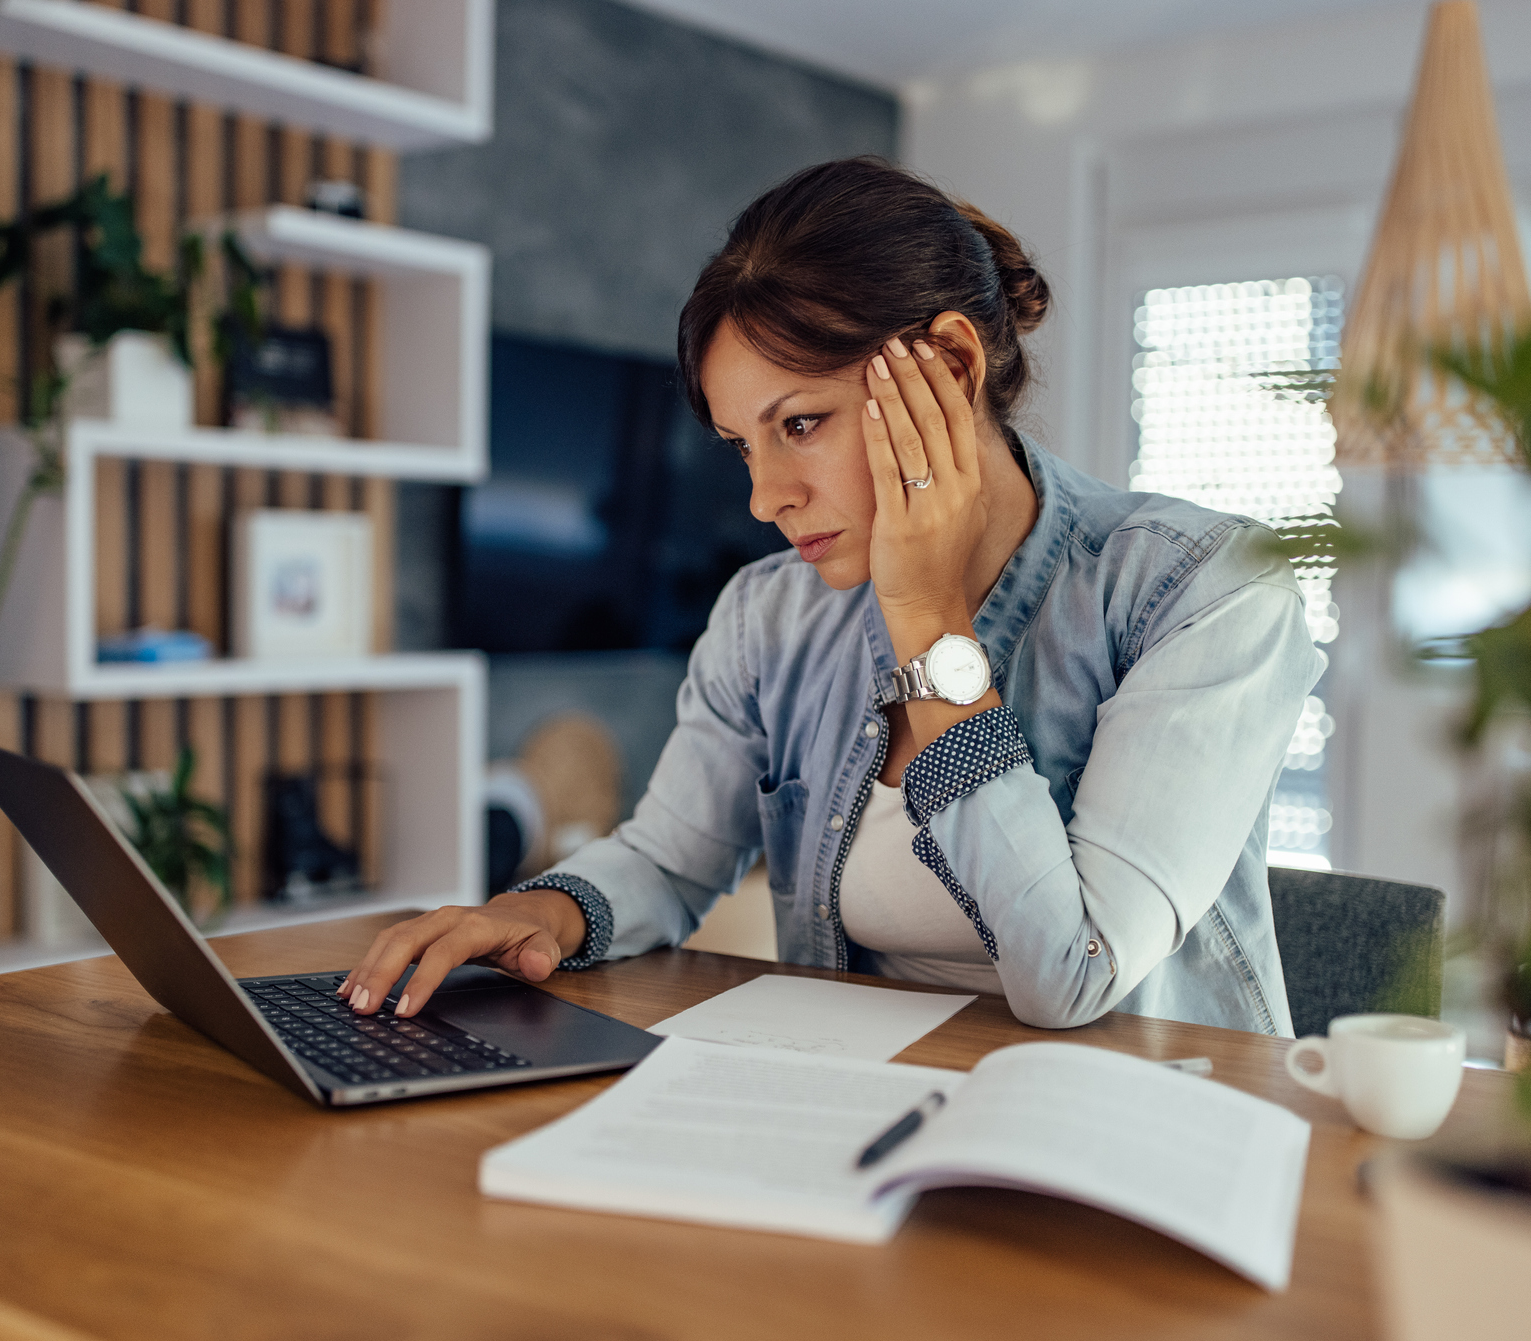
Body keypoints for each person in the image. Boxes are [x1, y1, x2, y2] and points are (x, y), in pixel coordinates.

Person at [341, 156, 1322, 1036]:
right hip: (865, 1119)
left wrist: (926, 620)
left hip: (1136, 1143)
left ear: (946, 365)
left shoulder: (1199, 586)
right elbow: (673, 858)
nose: (764, 498)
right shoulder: (769, 615)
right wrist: (535, 910)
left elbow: (1069, 975)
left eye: (799, 423)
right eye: (741, 446)